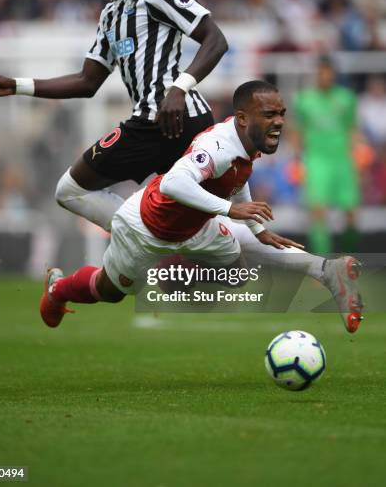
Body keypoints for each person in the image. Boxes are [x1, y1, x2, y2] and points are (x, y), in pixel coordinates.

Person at [40, 81, 363, 334]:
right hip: (145, 228)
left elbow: (235, 182)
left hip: (195, 228)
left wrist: (258, 229)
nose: (279, 122)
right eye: (269, 115)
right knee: (109, 291)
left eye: (281, 114)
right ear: (242, 118)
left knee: (238, 272)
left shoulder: (243, 144)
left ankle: (328, 272)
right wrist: (230, 210)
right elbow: (172, 184)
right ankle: (58, 289)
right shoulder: (218, 147)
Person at [0, 0, 228, 231]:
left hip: (176, 117)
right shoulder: (110, 16)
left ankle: (143, 237)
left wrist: (179, 88)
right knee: (190, 226)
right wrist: (16, 86)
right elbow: (87, 81)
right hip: (153, 125)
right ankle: (167, 244)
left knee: (71, 189)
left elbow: (215, 39)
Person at [293, 56, 360, 254]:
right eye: (321, 72)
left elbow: (353, 129)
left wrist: (357, 158)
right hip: (316, 162)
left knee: (351, 214)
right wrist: (298, 160)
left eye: (328, 72)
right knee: (318, 211)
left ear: (333, 74)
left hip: (343, 161)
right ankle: (323, 263)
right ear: (317, 74)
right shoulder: (304, 99)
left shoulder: (347, 98)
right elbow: (297, 131)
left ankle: (350, 256)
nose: (325, 76)